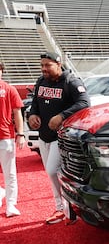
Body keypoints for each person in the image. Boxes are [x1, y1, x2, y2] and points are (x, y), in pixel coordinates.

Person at [28, 51, 90, 225]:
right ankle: (61, 208)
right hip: (44, 135)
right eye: (42, 65)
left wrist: (62, 115)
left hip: (62, 137)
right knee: (51, 173)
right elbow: (35, 104)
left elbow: (84, 102)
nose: (44, 69)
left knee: (53, 170)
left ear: (58, 63)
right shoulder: (41, 81)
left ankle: (68, 208)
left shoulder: (71, 81)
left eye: (47, 65)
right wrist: (32, 115)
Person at [0, 62, 25, 217]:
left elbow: (17, 113)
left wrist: (20, 134)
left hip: (6, 137)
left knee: (10, 173)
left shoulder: (10, 89)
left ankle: (11, 205)